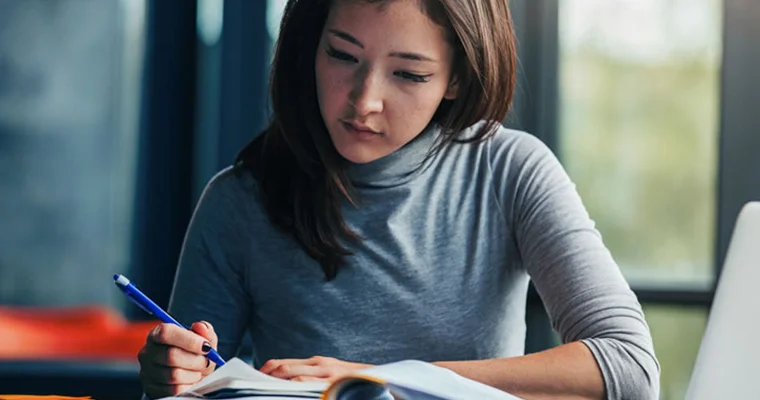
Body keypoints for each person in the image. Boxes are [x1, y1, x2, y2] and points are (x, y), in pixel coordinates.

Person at [137, 0, 660, 399]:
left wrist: (380, 380)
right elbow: (196, 386)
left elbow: (629, 366)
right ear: (309, 46)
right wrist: (172, 378)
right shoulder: (239, 201)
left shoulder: (510, 171)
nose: (364, 101)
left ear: (456, 78)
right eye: (342, 55)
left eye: (409, 74)